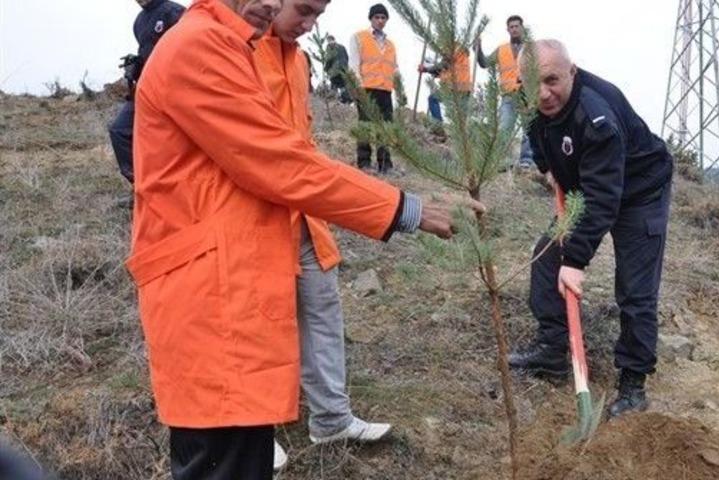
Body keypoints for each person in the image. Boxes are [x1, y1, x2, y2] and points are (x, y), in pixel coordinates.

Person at [126, 1, 483, 479]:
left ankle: (330, 417)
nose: (273, 4)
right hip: (211, 300)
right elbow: (280, 162)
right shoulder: (201, 46)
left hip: (229, 288)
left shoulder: (237, 45)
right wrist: (407, 209)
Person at [252, 0, 394, 468]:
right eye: (303, 10)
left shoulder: (299, 59)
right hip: (256, 216)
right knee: (261, 320)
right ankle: (254, 431)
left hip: (306, 212)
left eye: (318, 15)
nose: (309, 24)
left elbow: (302, 144)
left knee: (322, 306)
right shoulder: (240, 49)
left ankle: (331, 418)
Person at [508, 40, 673, 419]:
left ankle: (633, 384)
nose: (542, 94)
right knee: (546, 255)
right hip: (588, 186)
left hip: (640, 190)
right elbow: (536, 132)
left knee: (635, 290)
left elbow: (603, 200)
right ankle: (552, 351)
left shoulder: (596, 116)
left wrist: (576, 260)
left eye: (551, 80)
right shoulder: (531, 98)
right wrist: (547, 168)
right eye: (532, 84)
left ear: (572, 71)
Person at [108, 0, 184, 183]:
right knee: (119, 130)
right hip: (146, 89)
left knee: (169, 141)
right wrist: (136, 65)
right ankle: (141, 185)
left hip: (174, 89)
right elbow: (147, 54)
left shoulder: (174, 12)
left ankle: (170, 186)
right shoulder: (139, 21)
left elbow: (191, 49)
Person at [475, 14, 534, 169]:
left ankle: (526, 160)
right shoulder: (501, 50)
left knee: (529, 129)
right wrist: (478, 49)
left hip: (528, 95)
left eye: (517, 26)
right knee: (504, 128)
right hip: (508, 96)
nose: (514, 29)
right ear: (508, 30)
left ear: (522, 28)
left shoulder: (531, 48)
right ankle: (500, 162)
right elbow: (484, 63)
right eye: (511, 27)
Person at [349, 3, 398, 174]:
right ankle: (364, 162)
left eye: (383, 18)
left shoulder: (391, 45)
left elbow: (395, 68)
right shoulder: (359, 37)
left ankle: (385, 163)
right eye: (377, 17)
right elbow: (354, 65)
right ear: (371, 19)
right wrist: (357, 88)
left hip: (385, 90)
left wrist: (399, 89)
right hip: (366, 89)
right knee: (365, 127)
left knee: (385, 128)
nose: (380, 20)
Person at [324, 34, 352, 103]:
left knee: (335, 85)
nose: (329, 42)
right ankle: (346, 99)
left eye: (329, 40)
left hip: (335, 71)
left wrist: (325, 69)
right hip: (344, 69)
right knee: (343, 85)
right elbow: (347, 57)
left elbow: (328, 59)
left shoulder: (330, 48)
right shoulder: (342, 47)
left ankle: (335, 100)